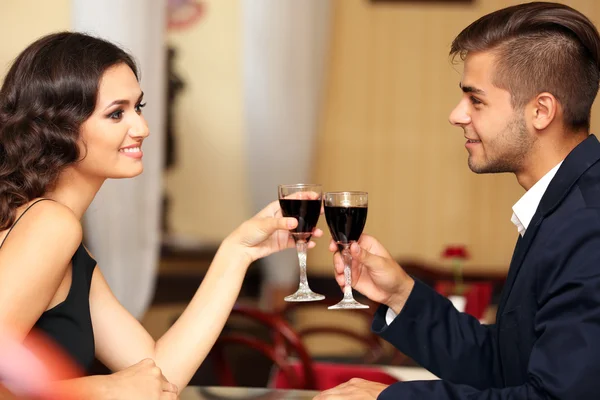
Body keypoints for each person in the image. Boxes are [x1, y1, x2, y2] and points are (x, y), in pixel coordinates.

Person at [0, 32, 322, 399]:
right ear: (59, 126)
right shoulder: (50, 226)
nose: (142, 128)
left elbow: (160, 372)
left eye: (138, 107)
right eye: (116, 113)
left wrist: (238, 252)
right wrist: (101, 390)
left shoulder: (57, 234)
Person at [315, 2, 600, 399]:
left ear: (541, 110)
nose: (456, 115)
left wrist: (386, 399)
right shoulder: (563, 206)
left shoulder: (588, 224)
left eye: (476, 100)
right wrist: (400, 293)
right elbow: (503, 366)